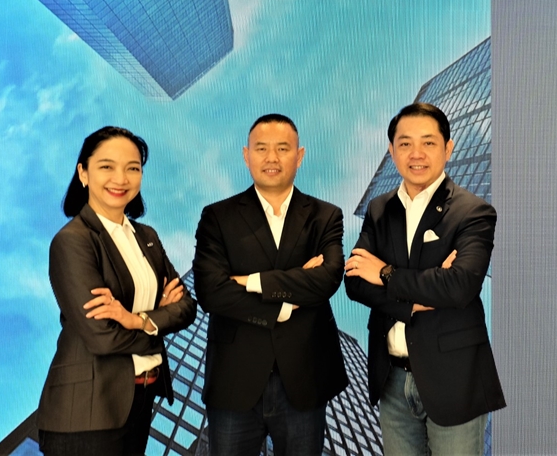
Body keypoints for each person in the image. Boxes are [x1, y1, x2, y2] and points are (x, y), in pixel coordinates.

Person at [345, 102, 506, 455]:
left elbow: (459, 287)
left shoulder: (474, 212)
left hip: (454, 378)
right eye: (405, 143)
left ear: (448, 148)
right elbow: (355, 281)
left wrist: (385, 272)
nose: (416, 154)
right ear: (391, 152)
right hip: (391, 380)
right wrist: (417, 301)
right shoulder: (379, 209)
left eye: (428, 143)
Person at [193, 113, 348, 456]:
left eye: (283, 148)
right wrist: (284, 304)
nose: (272, 158)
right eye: (261, 148)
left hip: (304, 378)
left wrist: (251, 281)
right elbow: (211, 291)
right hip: (234, 379)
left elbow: (326, 279)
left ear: (300, 155)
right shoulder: (217, 217)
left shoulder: (325, 216)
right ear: (246, 155)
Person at [37, 126, 197, 456]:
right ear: (83, 173)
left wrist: (136, 320)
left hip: (140, 400)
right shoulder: (73, 241)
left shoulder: (147, 236)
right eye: (107, 166)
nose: (121, 178)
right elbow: (102, 338)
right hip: (88, 412)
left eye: (133, 168)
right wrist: (158, 325)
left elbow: (187, 306)